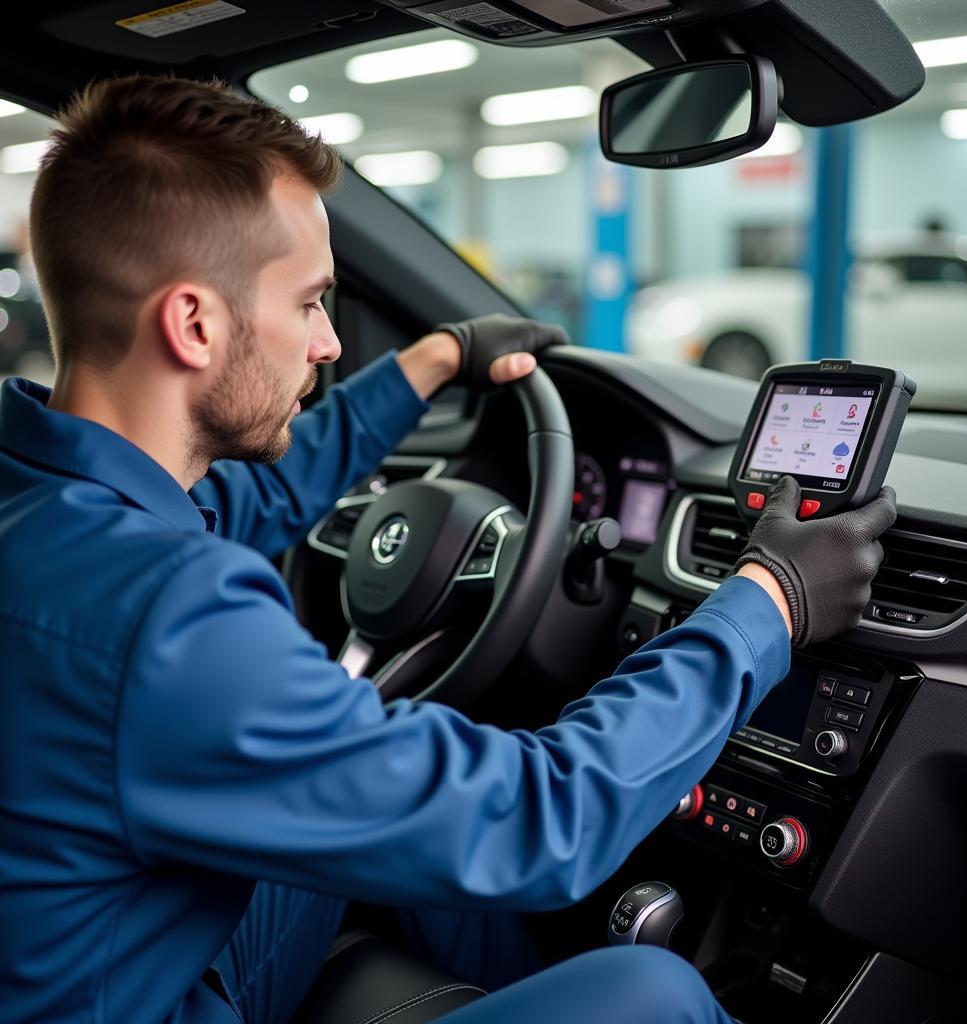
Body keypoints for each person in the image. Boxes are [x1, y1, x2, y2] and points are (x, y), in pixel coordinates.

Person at [0, 76, 896, 1024]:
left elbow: (251, 498)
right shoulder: (165, 616)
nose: (329, 341)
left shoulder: (50, 497)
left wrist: (433, 361)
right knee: (657, 993)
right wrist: (768, 601)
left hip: (115, 964)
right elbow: (543, 822)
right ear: (194, 324)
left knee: (396, 814)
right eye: (309, 303)